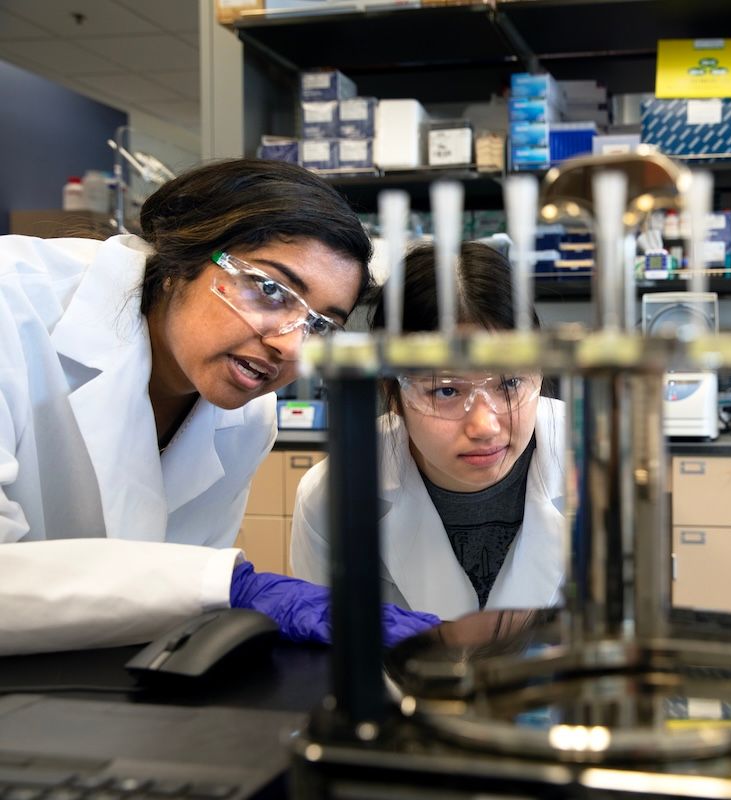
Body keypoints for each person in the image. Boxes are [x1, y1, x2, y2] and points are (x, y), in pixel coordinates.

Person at [0, 158, 437, 656]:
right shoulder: (11, 303)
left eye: (320, 326)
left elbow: (166, 604)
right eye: (271, 290)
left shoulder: (247, 416)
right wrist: (231, 588)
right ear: (181, 260)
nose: (292, 349)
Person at [290, 242, 567, 620]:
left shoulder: (600, 464)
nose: (485, 426)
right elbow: (327, 654)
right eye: (447, 390)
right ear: (393, 391)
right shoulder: (335, 496)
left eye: (510, 383)